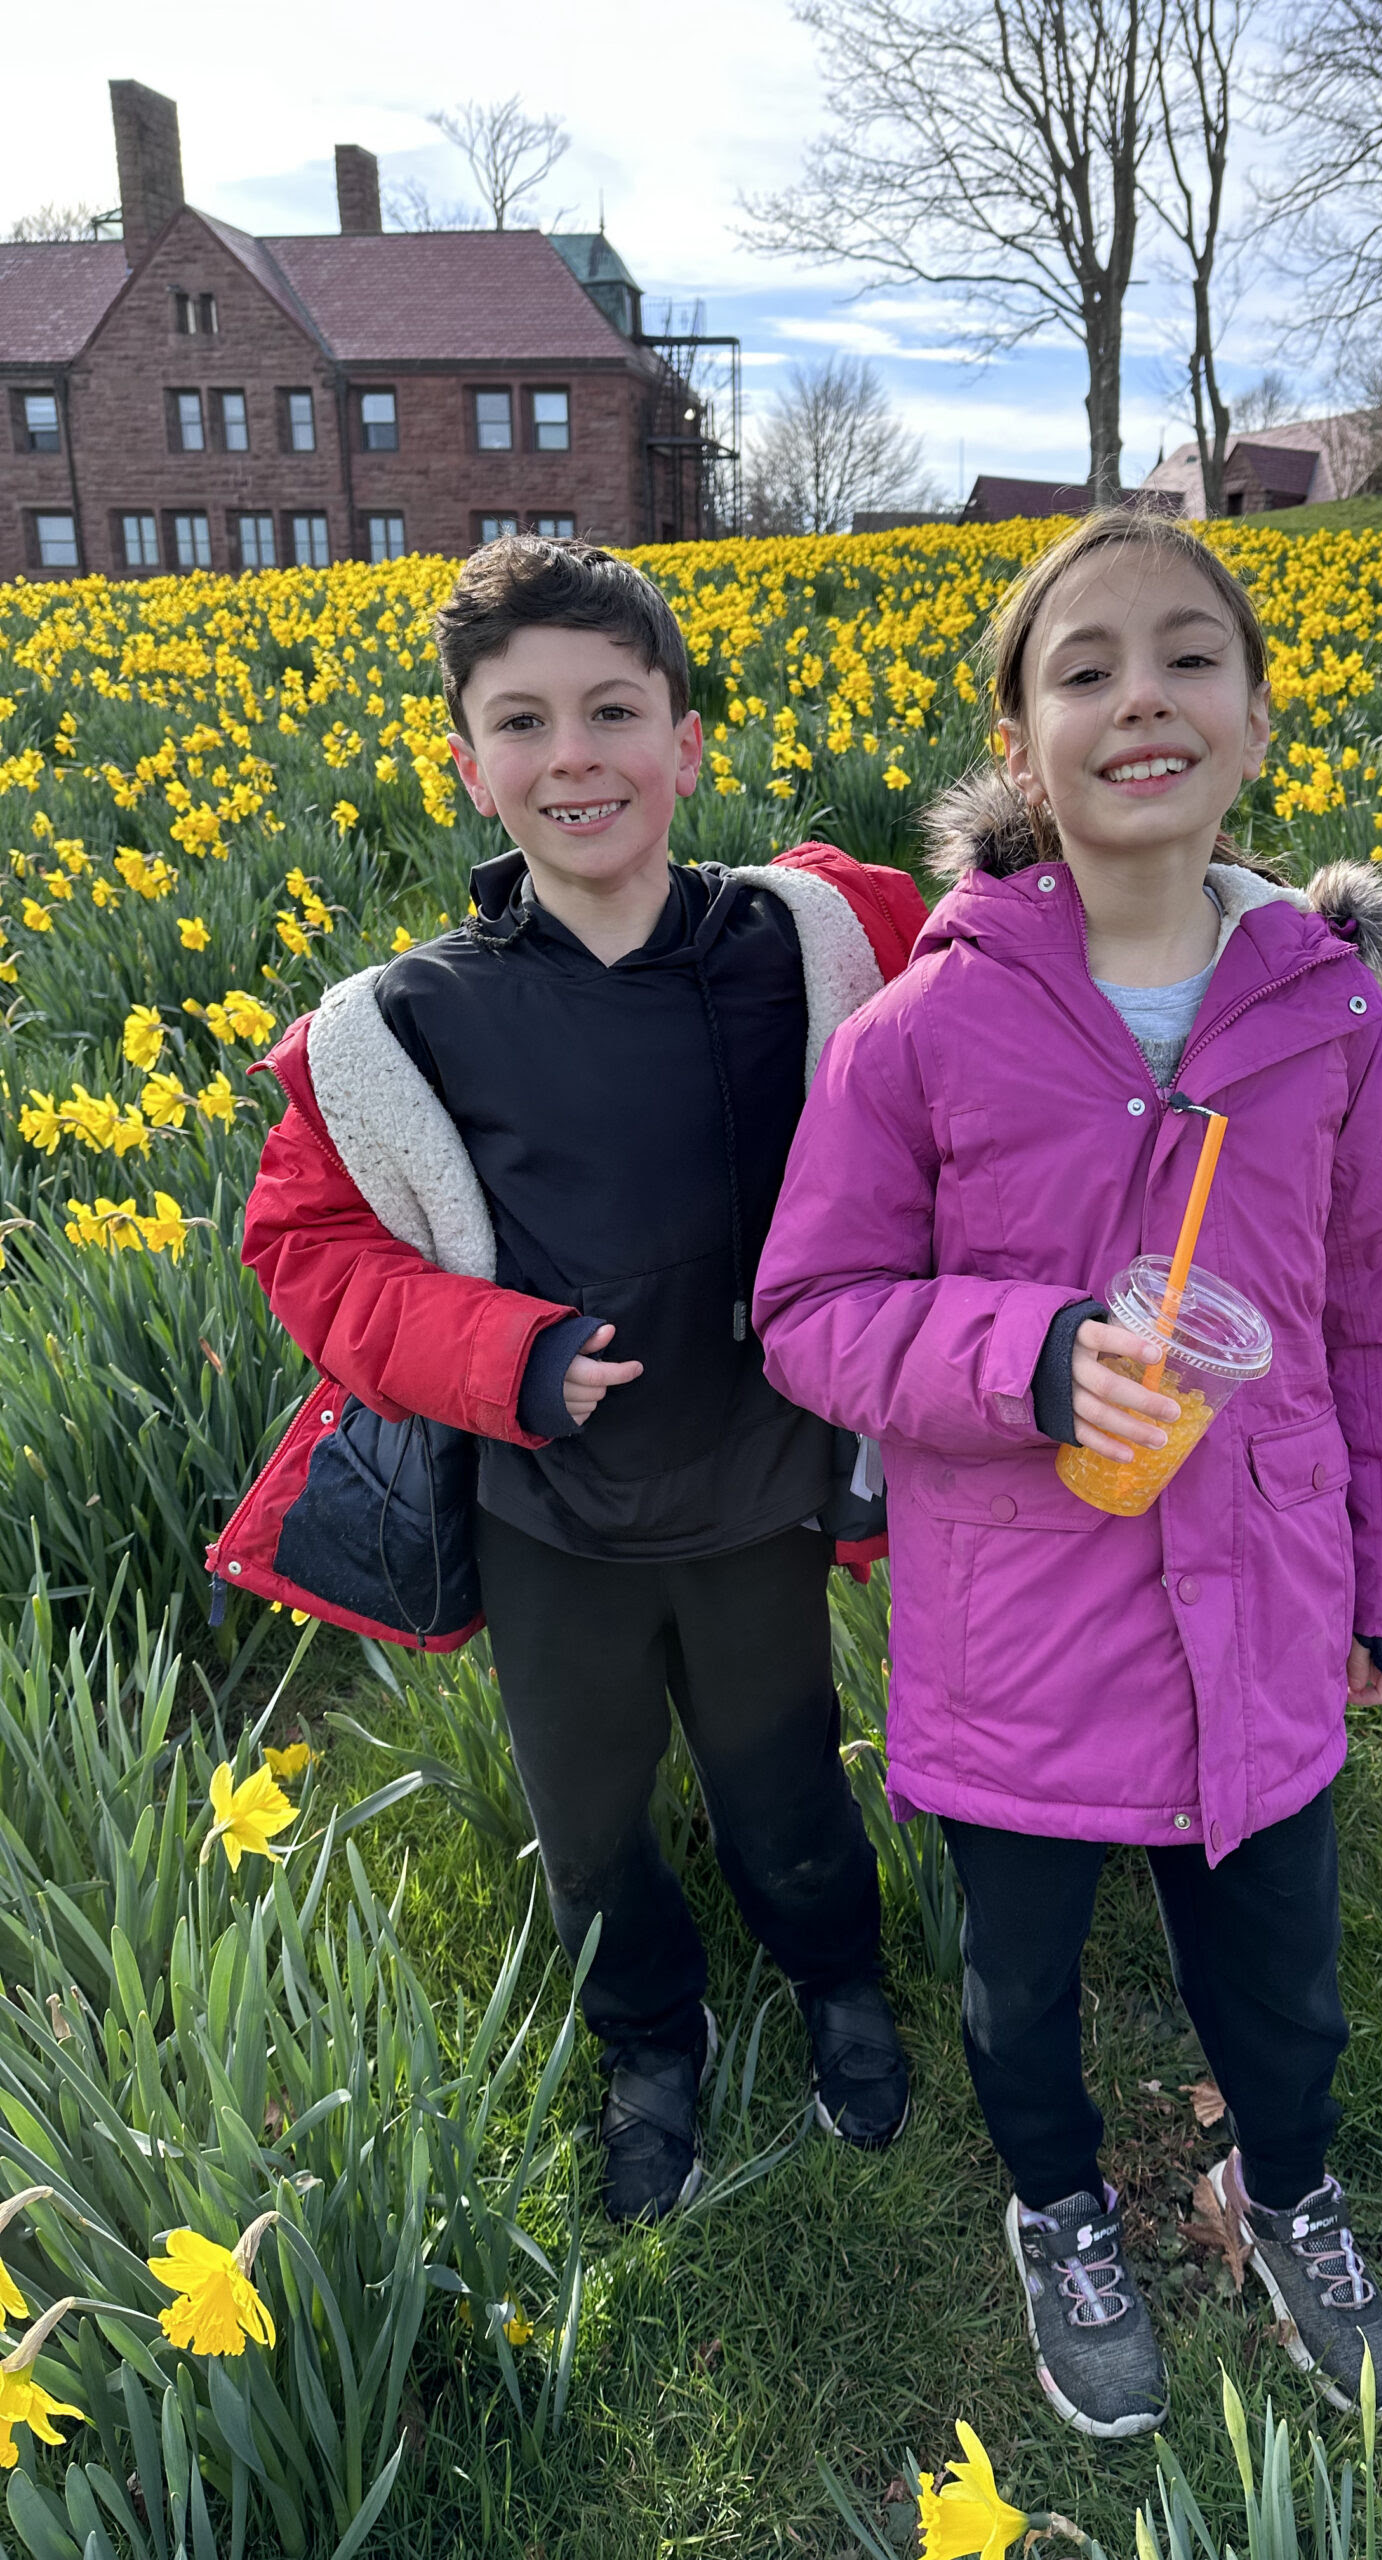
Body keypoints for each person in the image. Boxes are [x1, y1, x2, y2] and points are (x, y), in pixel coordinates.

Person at [754, 511, 1382, 2438]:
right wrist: (1038, 1353)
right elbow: (812, 1309)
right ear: (1021, 735)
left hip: (1267, 1598)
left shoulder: (1327, 1014)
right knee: (1019, 1994)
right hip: (1020, 1622)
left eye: (1187, 660)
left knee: (1286, 1982)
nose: (1138, 698)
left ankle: (1286, 2184)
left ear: (1252, 721)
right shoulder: (925, 1029)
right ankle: (1059, 2209)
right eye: (1083, 668)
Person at [227, 535, 928, 2223]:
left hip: (762, 1489)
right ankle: (649, 2042)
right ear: (468, 766)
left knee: (789, 1778)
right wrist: (507, 1358)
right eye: (523, 723)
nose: (574, 757)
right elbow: (305, 1252)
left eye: (614, 710)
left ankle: (837, 1977)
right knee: (590, 1812)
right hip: (549, 1513)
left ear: (688, 741)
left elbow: (1040, 926)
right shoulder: (403, 1025)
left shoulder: (810, 944)